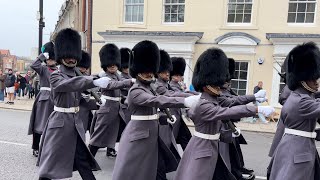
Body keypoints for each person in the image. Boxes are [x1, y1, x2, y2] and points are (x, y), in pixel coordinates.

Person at [174, 48, 275, 180]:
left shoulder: (213, 98)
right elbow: (226, 112)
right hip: (202, 149)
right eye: (216, 85)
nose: (219, 88)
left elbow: (233, 101)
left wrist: (254, 97)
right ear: (206, 86)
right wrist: (256, 110)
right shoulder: (204, 104)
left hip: (212, 147)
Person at [112, 40, 200, 180]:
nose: (149, 74)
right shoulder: (136, 91)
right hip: (139, 136)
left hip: (152, 134)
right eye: (145, 72)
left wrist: (165, 117)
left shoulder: (149, 87)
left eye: (150, 71)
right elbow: (157, 100)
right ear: (137, 71)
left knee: (158, 168)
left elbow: (163, 101)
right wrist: (185, 101)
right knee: (133, 172)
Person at [37, 28, 108, 180]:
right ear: (61, 56)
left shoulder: (76, 74)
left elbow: (81, 100)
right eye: (68, 57)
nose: (71, 60)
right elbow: (68, 85)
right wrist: (92, 80)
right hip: (60, 124)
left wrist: (97, 104)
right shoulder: (56, 75)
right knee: (51, 163)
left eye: (73, 56)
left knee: (82, 160)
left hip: (75, 124)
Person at [268, 42, 320, 180]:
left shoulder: (299, 96)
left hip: (296, 147)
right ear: (302, 80)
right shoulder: (301, 101)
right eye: (312, 78)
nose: (317, 82)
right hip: (298, 152)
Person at [89, 44, 134, 158]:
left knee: (116, 133)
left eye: (114, 64)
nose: (113, 66)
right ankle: (88, 158)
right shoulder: (104, 76)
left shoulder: (117, 75)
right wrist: (129, 82)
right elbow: (111, 85)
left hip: (116, 109)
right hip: (107, 109)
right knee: (99, 135)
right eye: (110, 64)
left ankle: (111, 150)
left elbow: (120, 91)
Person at [28, 41, 57, 157]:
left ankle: (49, 147)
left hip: (55, 99)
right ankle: (35, 146)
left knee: (52, 126)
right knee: (39, 125)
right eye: (49, 59)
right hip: (44, 98)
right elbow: (34, 65)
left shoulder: (59, 70)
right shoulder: (43, 69)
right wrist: (42, 56)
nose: (51, 61)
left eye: (52, 59)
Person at [77, 50, 100, 133]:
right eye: (81, 66)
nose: (83, 68)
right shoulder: (73, 76)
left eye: (84, 67)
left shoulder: (87, 76)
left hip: (87, 108)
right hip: (78, 107)